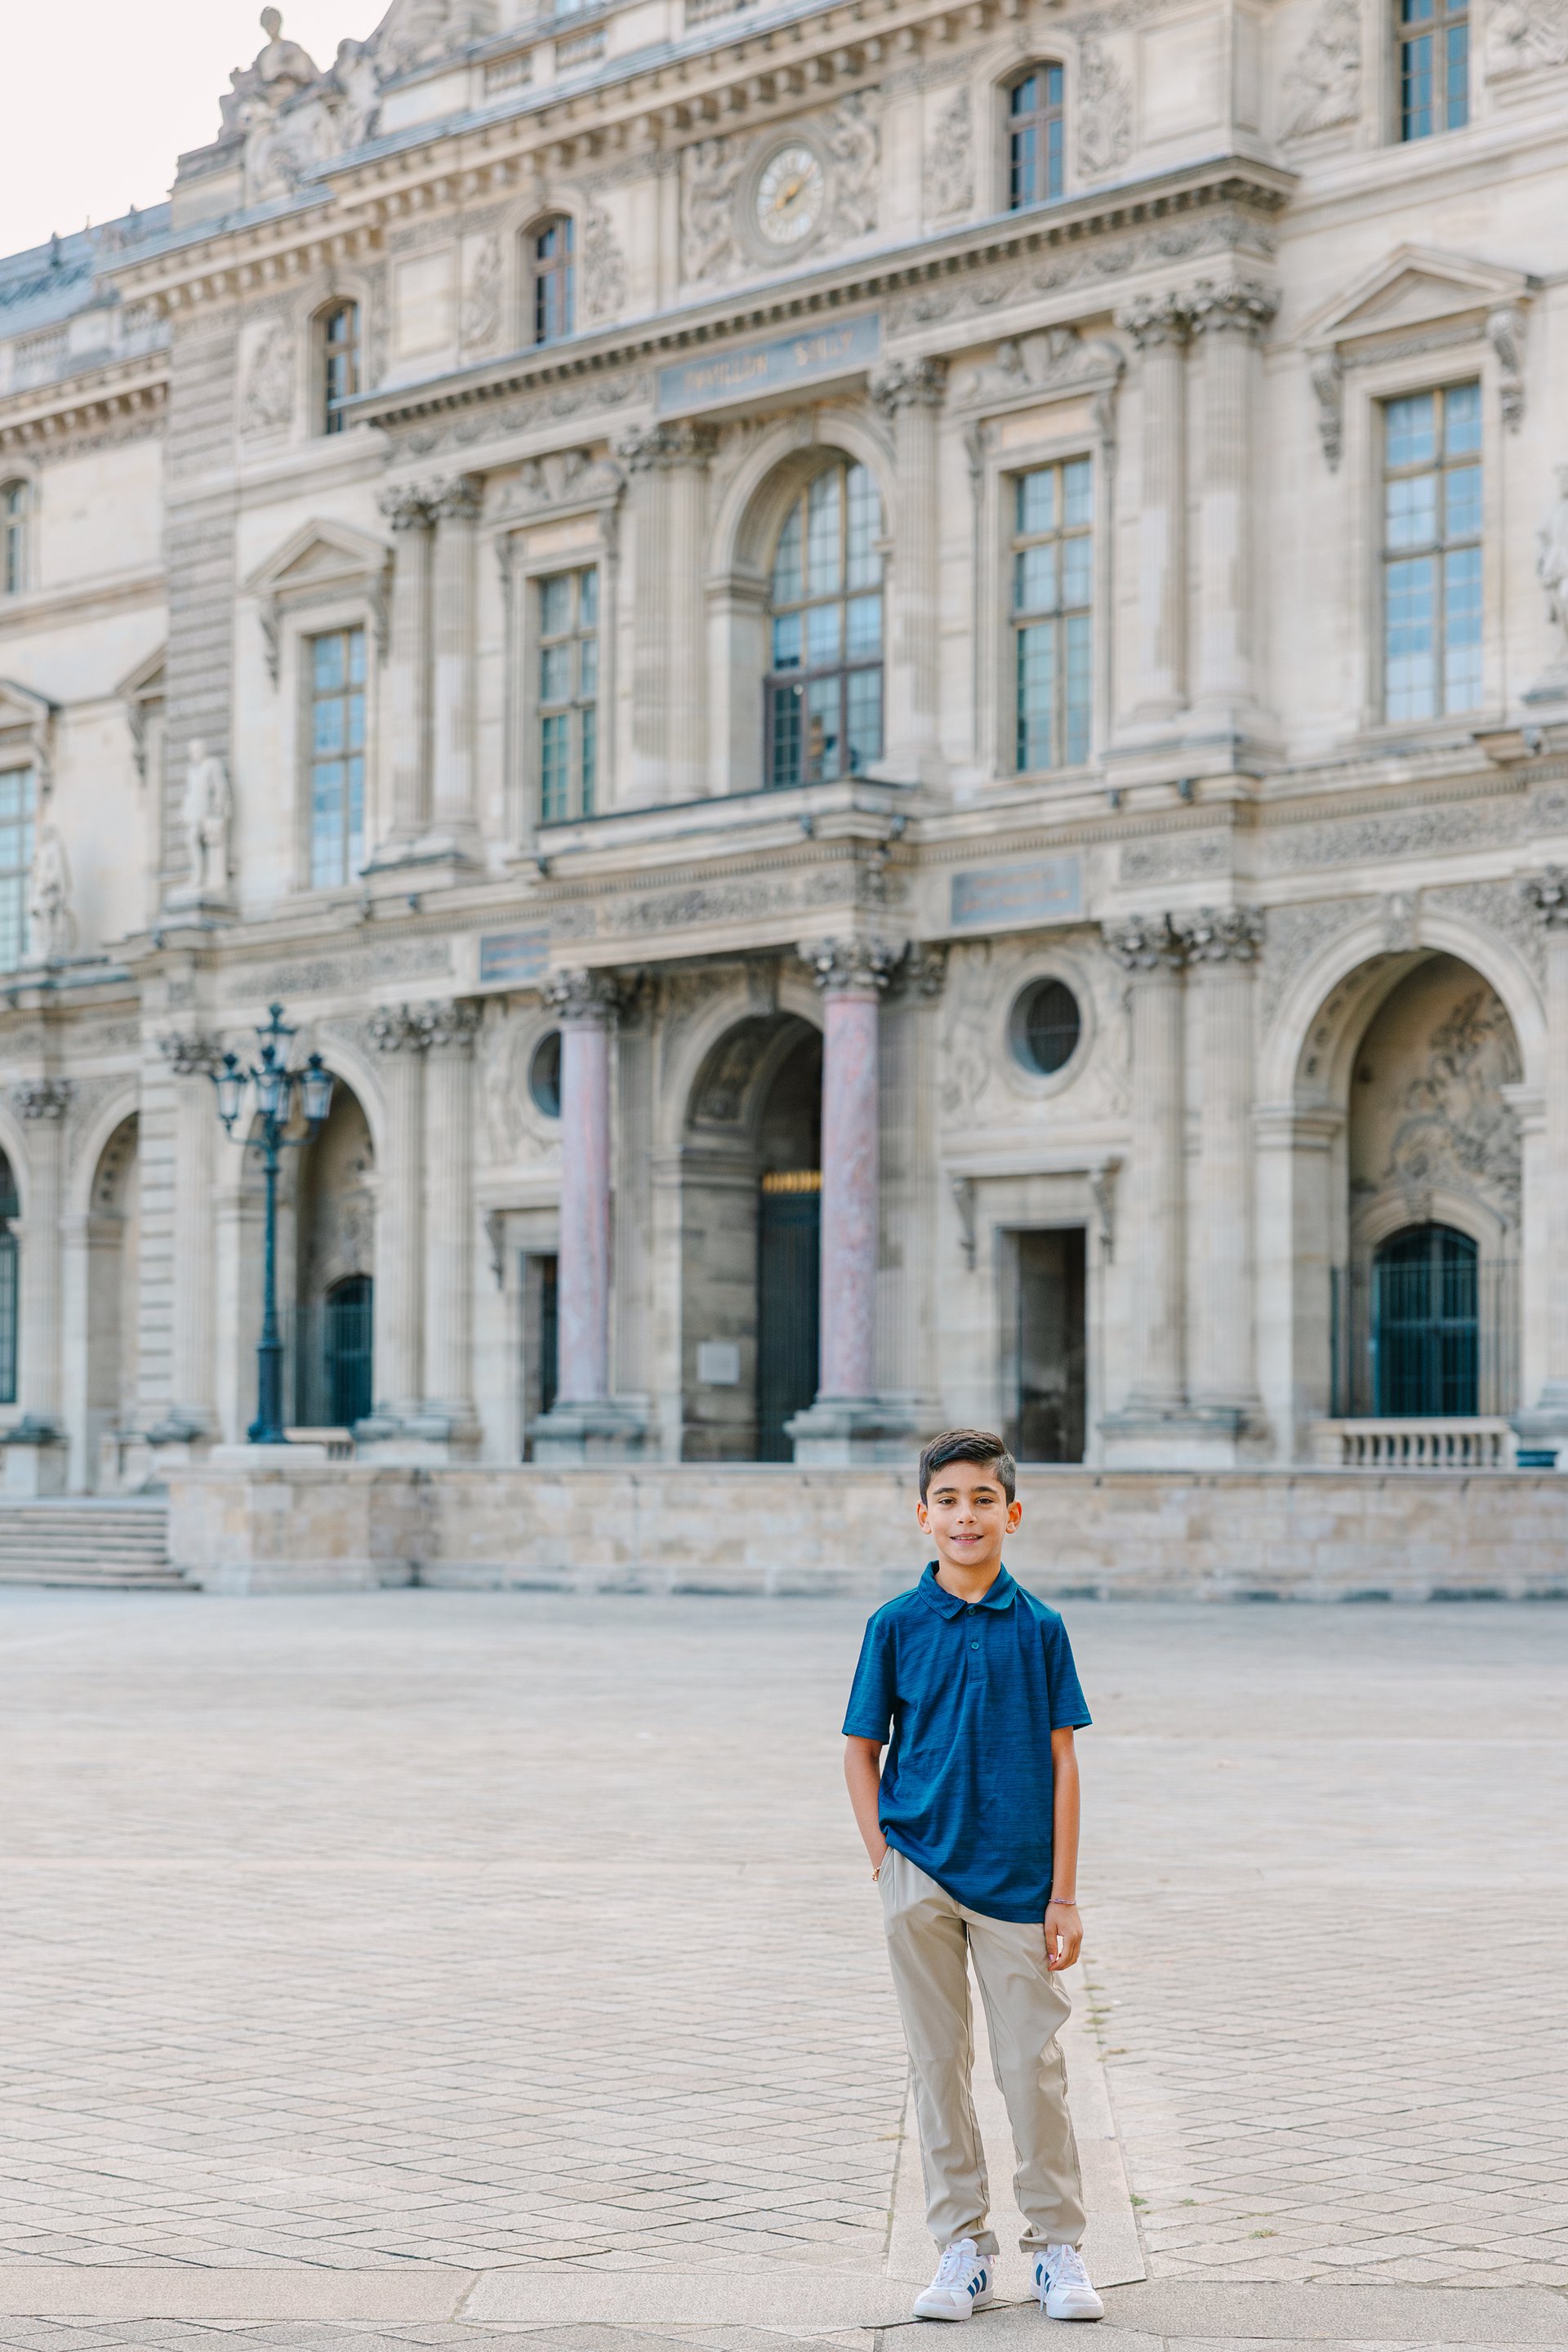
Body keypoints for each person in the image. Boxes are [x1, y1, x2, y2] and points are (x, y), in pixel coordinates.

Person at [843, 1428, 1102, 2325]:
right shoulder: (894, 1624)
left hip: (1019, 1884)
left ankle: (1058, 2245)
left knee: (1032, 2064)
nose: (965, 1516)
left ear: (1012, 1515)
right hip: (919, 1873)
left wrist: (1064, 1894)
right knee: (936, 2063)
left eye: (982, 1500)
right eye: (947, 1501)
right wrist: (886, 1863)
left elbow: (1064, 1763)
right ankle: (962, 2247)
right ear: (923, 1517)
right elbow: (860, 1749)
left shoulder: (1041, 1629)